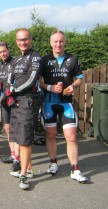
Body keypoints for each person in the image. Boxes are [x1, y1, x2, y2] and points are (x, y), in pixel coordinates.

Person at [40, 30, 87, 183]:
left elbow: (80, 78)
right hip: (49, 103)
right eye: (55, 41)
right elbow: (39, 81)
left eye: (61, 41)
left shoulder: (72, 58)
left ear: (64, 42)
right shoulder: (44, 60)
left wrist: (73, 86)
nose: (58, 44)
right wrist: (49, 88)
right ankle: (53, 163)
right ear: (50, 43)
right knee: (50, 135)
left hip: (66, 103)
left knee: (71, 137)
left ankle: (75, 169)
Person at [9, 29, 42, 190]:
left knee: (25, 139)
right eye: (20, 40)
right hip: (16, 102)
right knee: (16, 136)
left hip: (28, 100)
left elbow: (31, 79)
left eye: (25, 39)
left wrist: (14, 91)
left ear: (31, 39)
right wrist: (10, 91)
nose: (23, 42)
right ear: (16, 42)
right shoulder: (15, 60)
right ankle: (28, 169)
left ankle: (24, 175)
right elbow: (10, 78)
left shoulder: (35, 57)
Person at [0, 41, 19, 165]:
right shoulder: (0, 65)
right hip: (4, 100)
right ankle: (13, 155)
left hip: (14, 100)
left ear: (8, 50)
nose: (2, 54)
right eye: (0, 52)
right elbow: (2, 81)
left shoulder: (15, 62)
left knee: (16, 129)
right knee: (8, 128)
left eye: (4, 51)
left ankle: (18, 157)